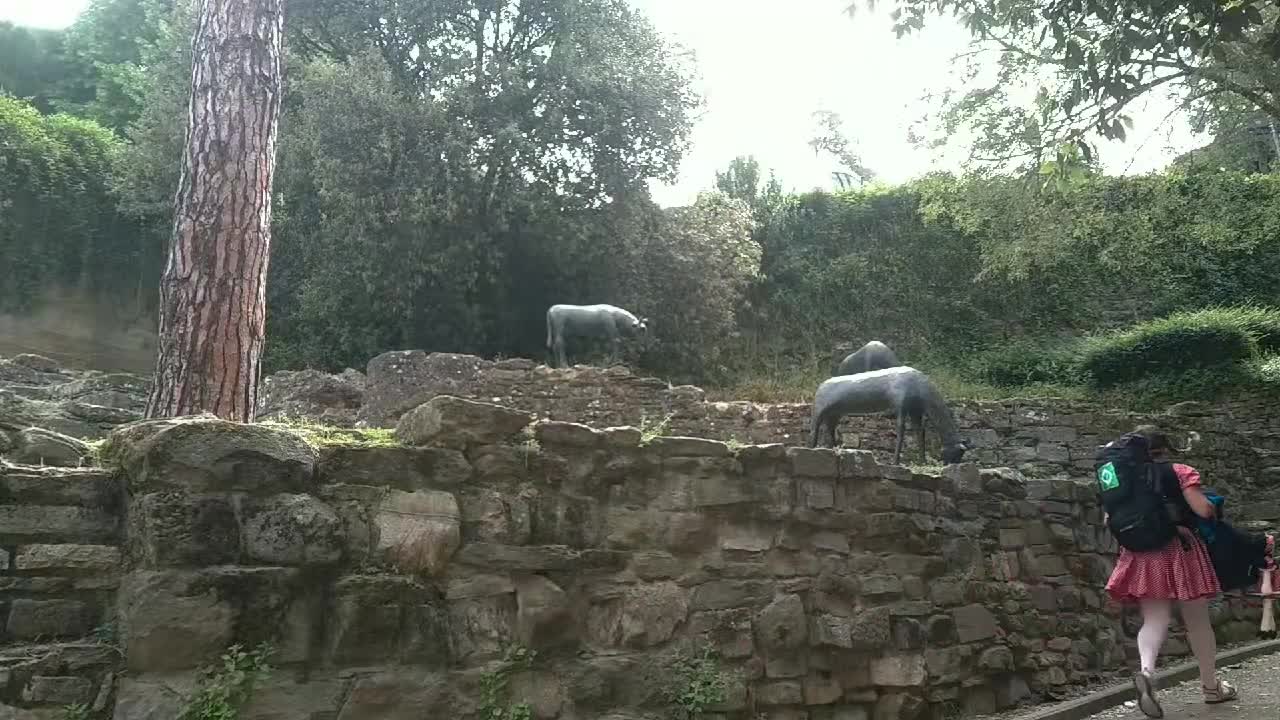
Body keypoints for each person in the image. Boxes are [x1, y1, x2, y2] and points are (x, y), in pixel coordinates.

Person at [1103, 425, 1237, 718]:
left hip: (1141, 554)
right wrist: (1211, 508)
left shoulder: (1120, 477)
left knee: (1154, 619)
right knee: (1197, 621)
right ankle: (1211, 688)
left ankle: (1148, 673)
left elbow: (1108, 518)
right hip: (1180, 549)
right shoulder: (1178, 470)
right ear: (1164, 448)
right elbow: (1202, 510)